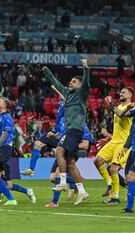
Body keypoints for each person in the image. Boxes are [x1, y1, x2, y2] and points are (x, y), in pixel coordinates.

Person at [43, 59, 90, 205]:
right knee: (70, 163)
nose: (70, 83)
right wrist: (46, 70)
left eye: (74, 82)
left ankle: (63, 181)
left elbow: (86, 83)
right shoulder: (66, 93)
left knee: (58, 151)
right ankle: (82, 192)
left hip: (75, 130)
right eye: (70, 81)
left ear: (80, 86)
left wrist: (85, 68)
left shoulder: (82, 94)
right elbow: (55, 82)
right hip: (72, 130)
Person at [94, 87, 134, 204]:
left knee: (113, 169)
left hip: (123, 144)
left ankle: (115, 197)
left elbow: (121, 115)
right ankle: (109, 183)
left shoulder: (131, 107)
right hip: (113, 142)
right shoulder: (120, 106)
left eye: (124, 92)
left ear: (130, 95)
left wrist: (111, 104)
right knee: (97, 161)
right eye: (120, 92)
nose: (121, 93)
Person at [46, 122, 93, 207]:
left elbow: (85, 145)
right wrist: (54, 135)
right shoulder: (63, 121)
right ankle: (76, 184)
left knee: (58, 174)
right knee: (52, 178)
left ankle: (54, 202)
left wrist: (70, 145)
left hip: (70, 151)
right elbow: (62, 138)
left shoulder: (81, 124)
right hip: (62, 152)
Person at [21, 86, 64, 177]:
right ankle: (31, 169)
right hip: (56, 133)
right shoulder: (60, 104)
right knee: (37, 143)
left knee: (62, 167)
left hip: (64, 135)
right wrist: (54, 131)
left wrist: (56, 89)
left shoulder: (69, 105)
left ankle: (74, 184)